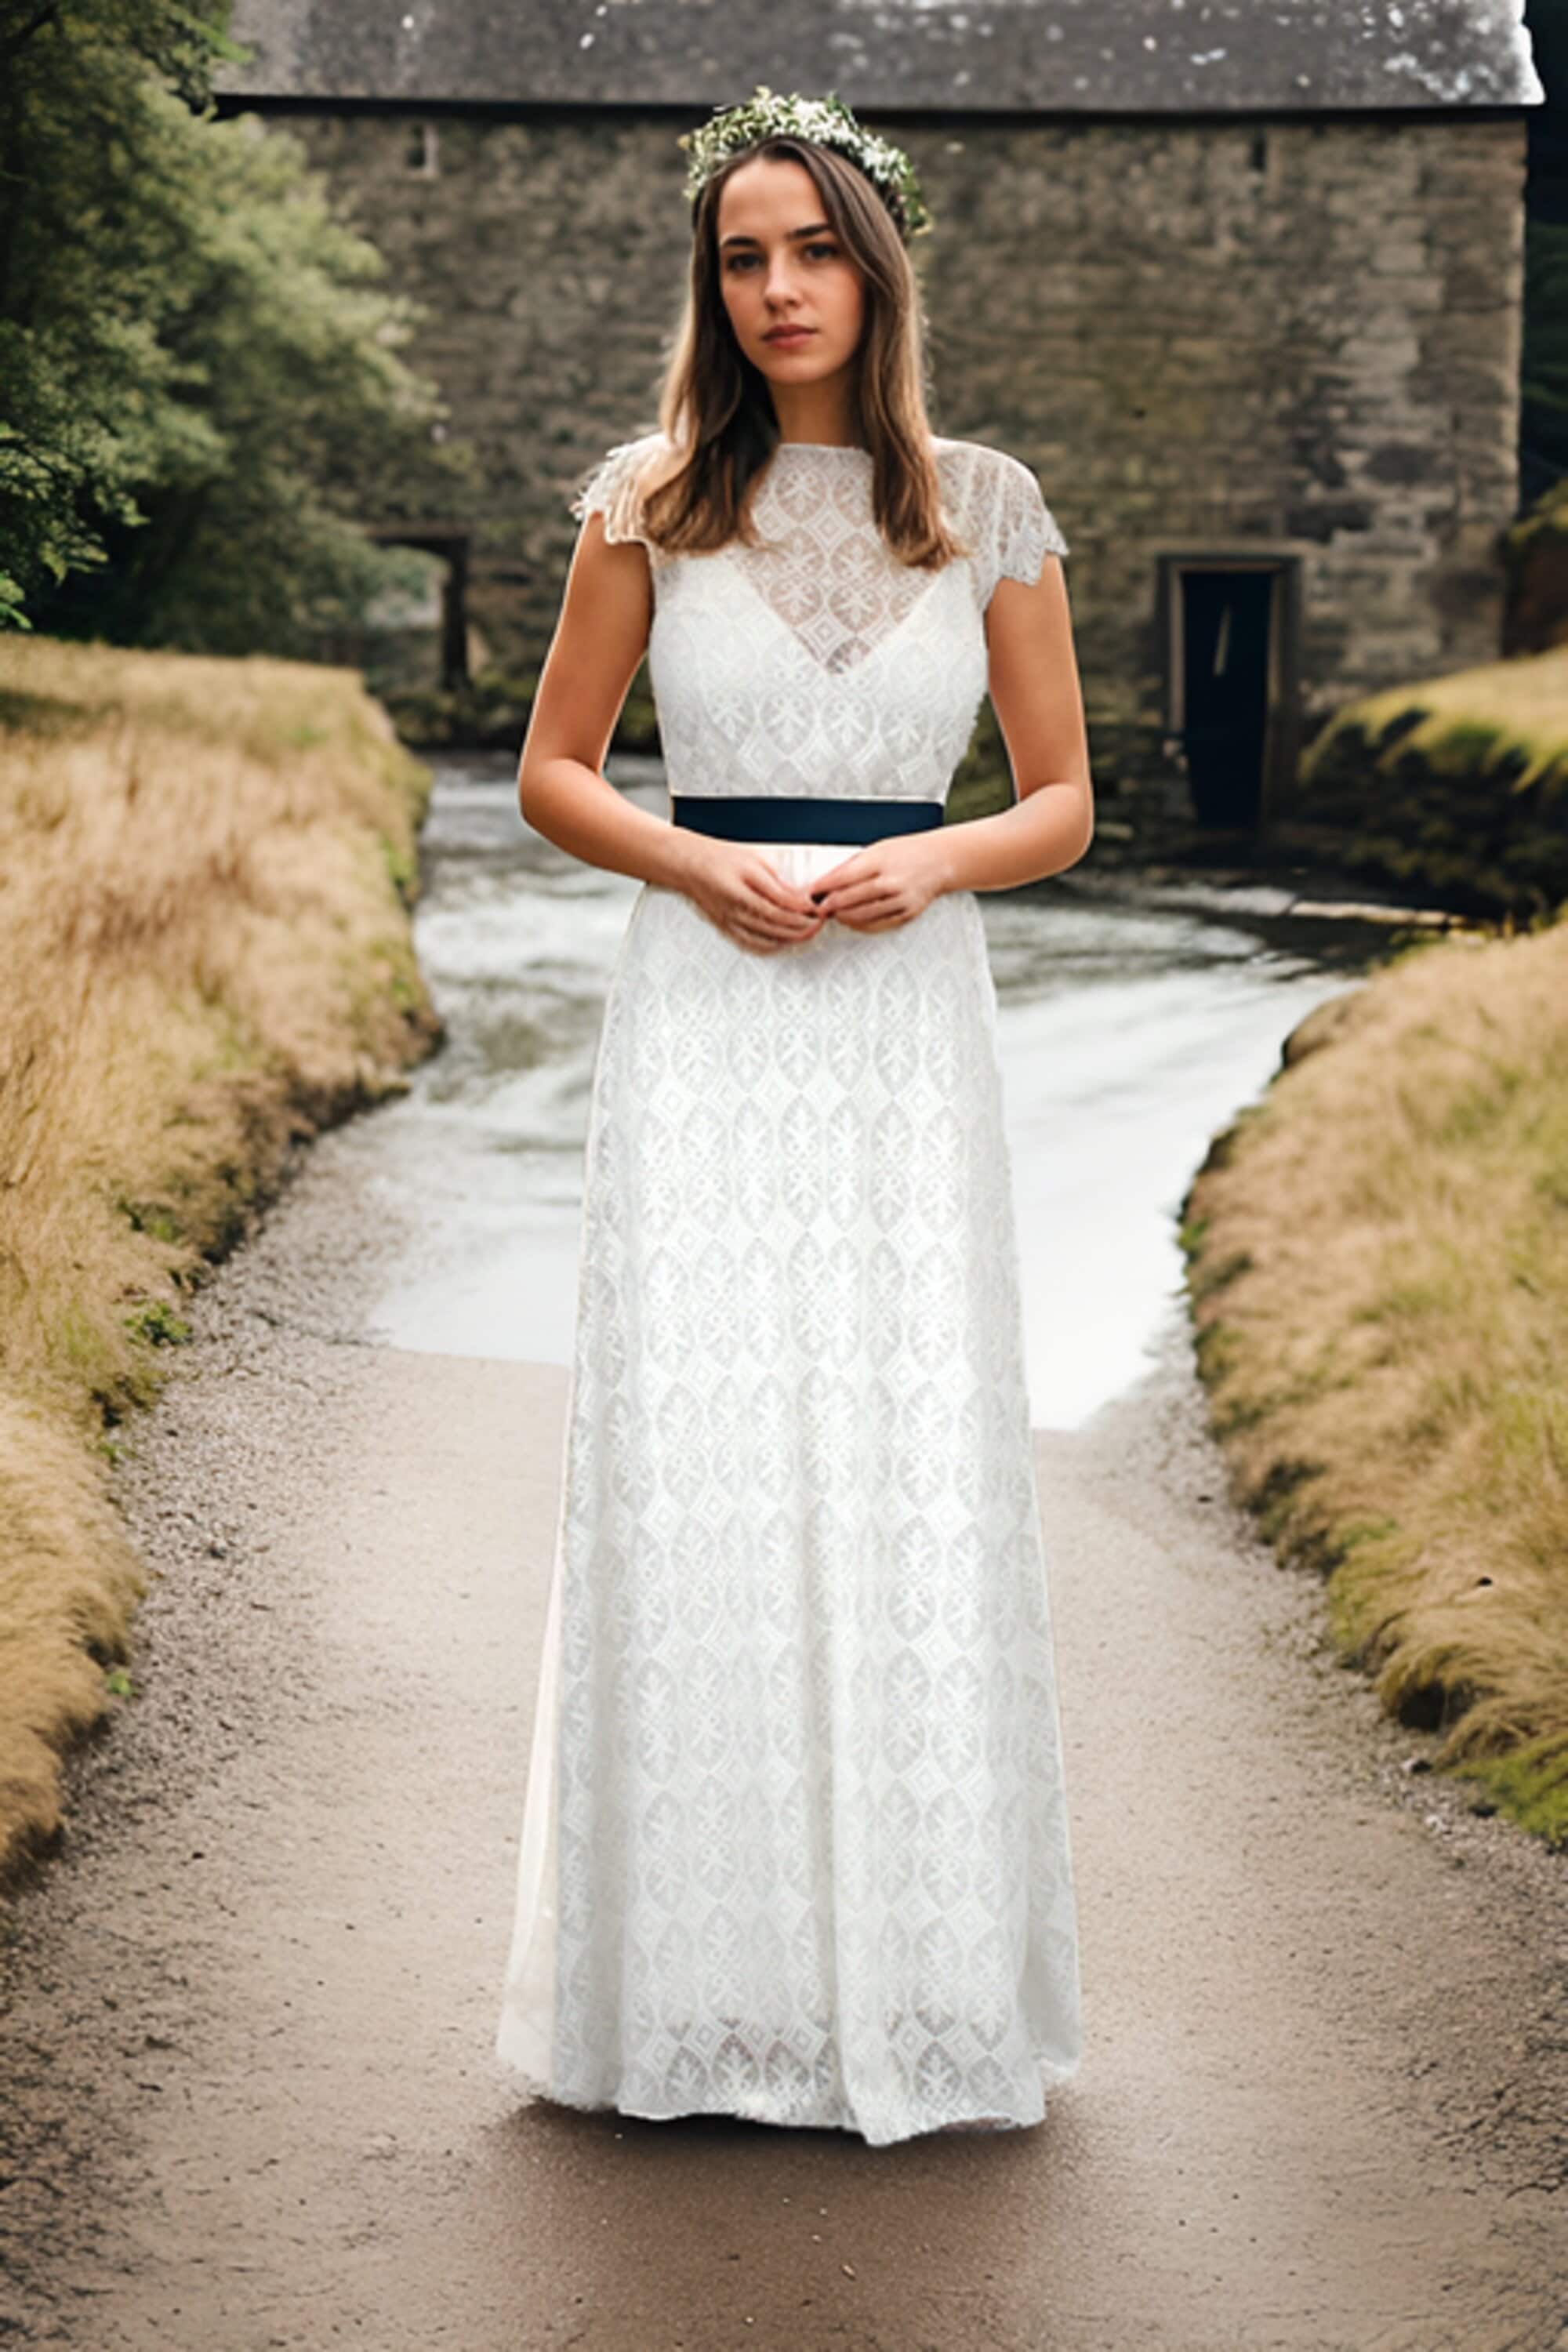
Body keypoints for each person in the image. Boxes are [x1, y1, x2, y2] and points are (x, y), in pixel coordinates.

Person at [494, 86, 1094, 2147]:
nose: (775, 290)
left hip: (906, 1019)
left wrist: (938, 868)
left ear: (875, 265)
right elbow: (555, 769)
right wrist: (691, 867)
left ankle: (913, 1987)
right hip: (710, 1014)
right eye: (742, 257)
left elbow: (1062, 797)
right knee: (710, 1451)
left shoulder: (988, 507)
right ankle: (701, 1986)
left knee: (905, 1447)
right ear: (711, 281)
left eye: (809, 250)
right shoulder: (645, 501)